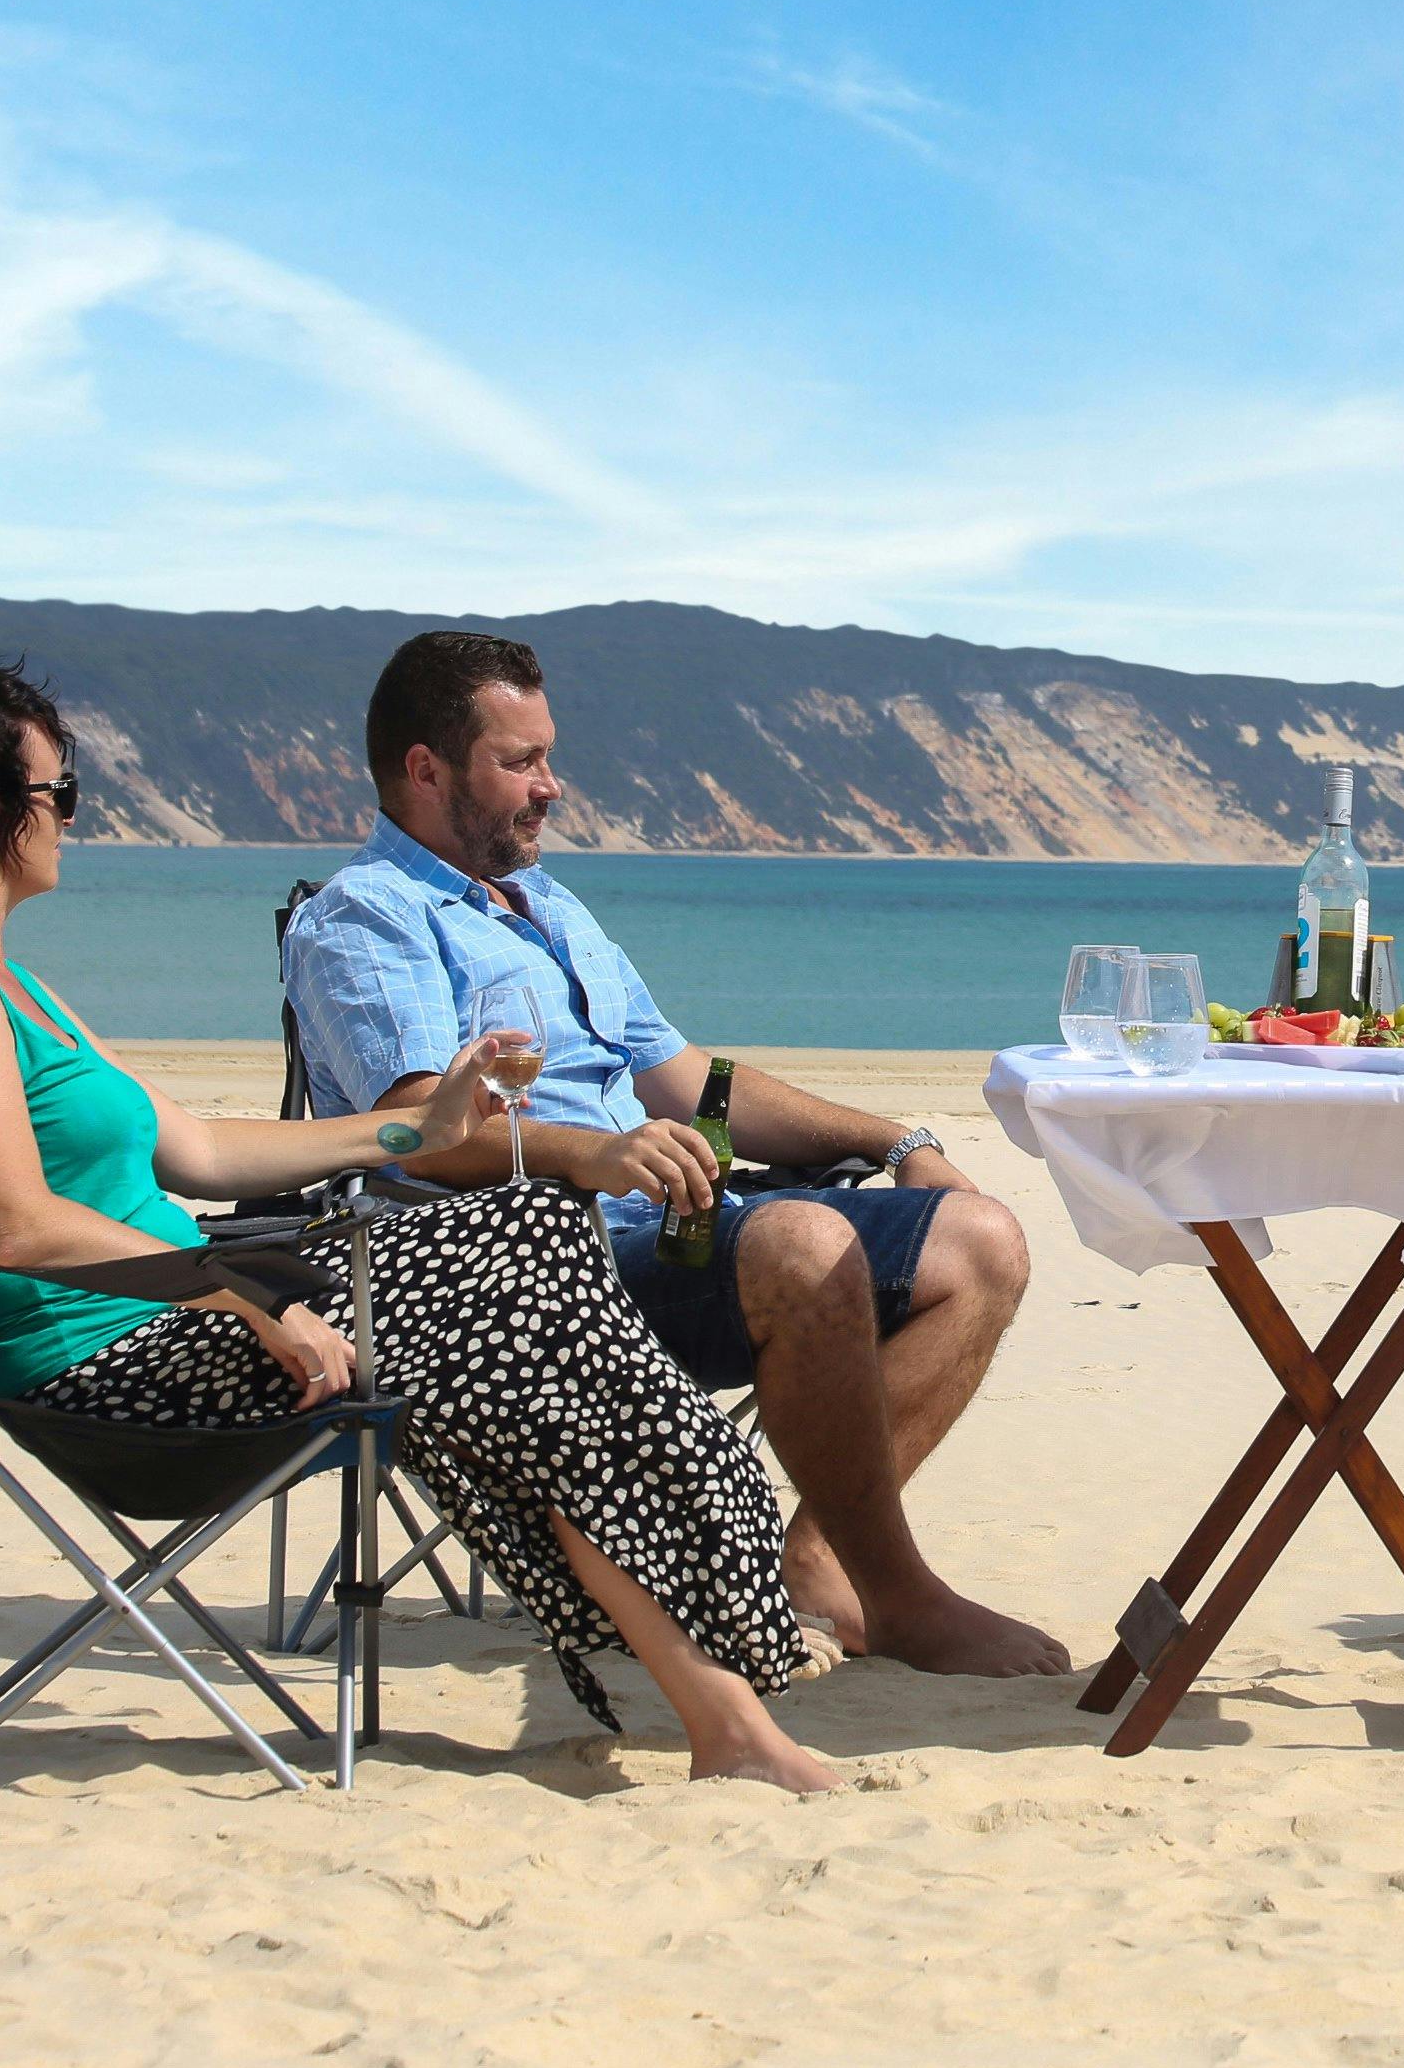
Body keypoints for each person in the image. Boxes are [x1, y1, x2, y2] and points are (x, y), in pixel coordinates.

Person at [0, 640, 841, 1789]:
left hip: (188, 1316)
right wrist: (249, 1291)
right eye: (57, 792)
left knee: (533, 1263)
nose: (70, 814)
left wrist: (418, 1129)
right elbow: (15, 1226)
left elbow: (205, 1151)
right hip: (114, 1367)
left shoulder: (9, 981)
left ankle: (724, 1702)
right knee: (524, 1278)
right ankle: (733, 1628)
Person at [284, 631, 1068, 1679]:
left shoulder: (548, 904)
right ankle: (904, 1593)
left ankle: (821, 1559)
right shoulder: (366, 917)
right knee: (799, 1241)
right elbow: (416, 1128)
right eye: (520, 762)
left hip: (658, 1233)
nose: (551, 785)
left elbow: (695, 1084)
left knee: (981, 1239)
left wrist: (898, 1139)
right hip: (512, 1272)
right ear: (426, 768)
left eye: (546, 757)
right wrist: (589, 1154)